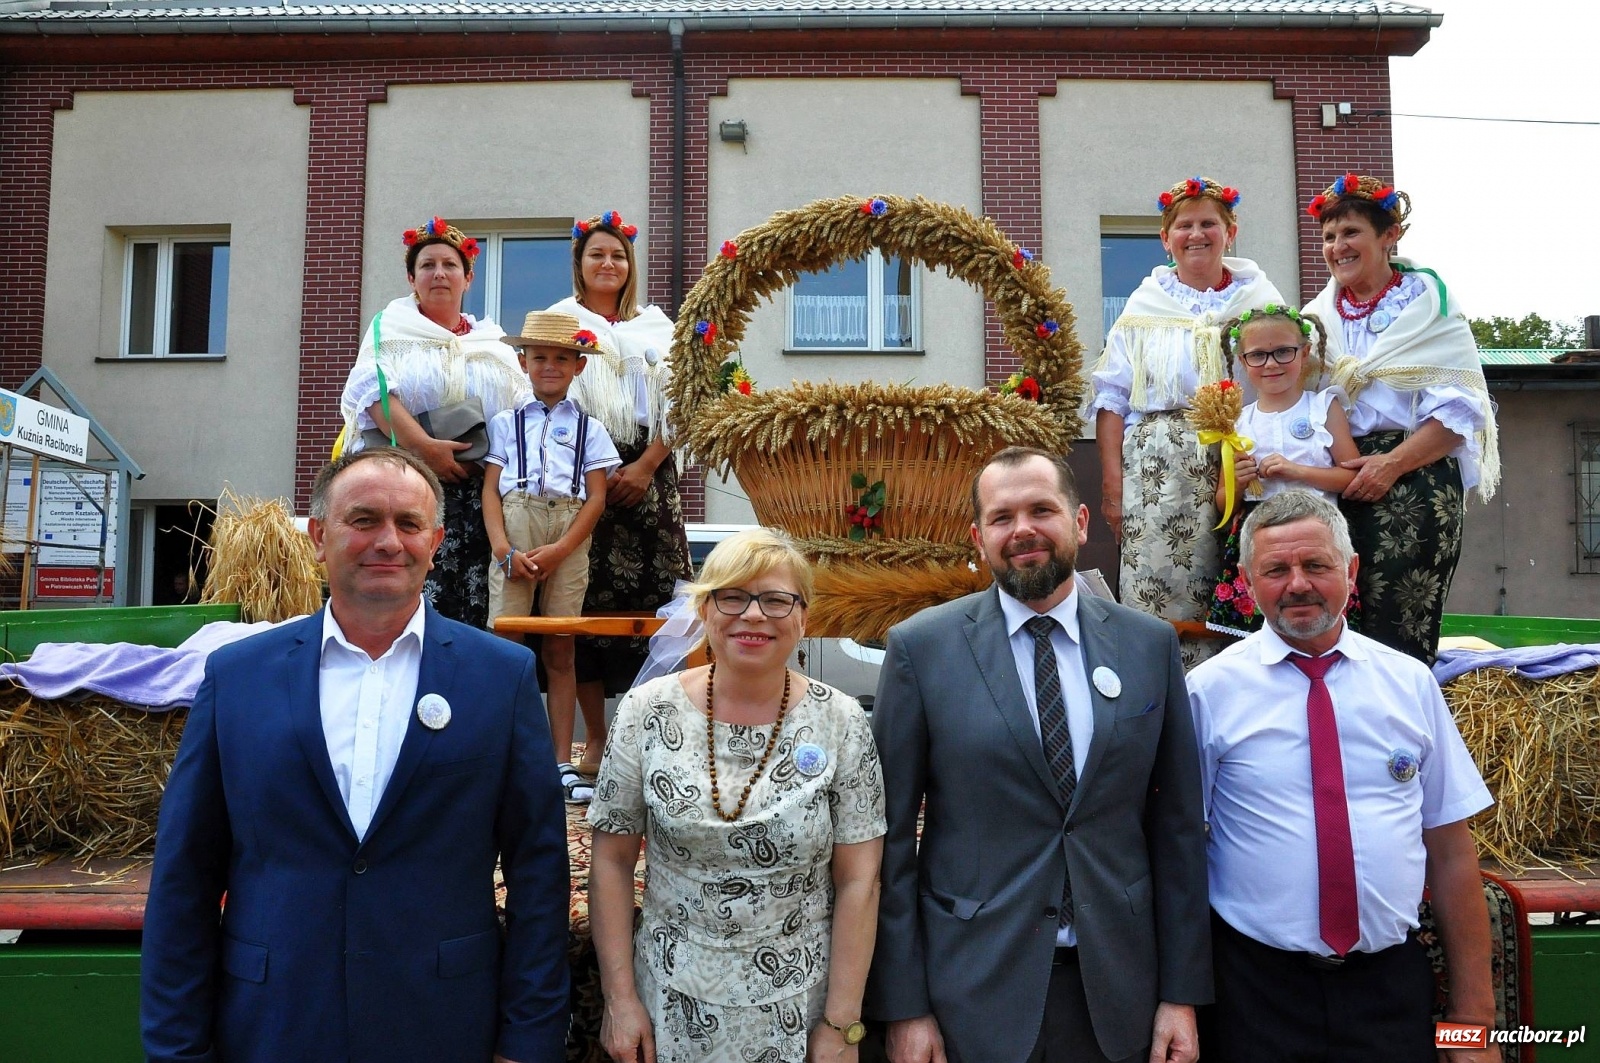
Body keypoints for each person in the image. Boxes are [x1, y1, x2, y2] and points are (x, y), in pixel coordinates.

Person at [141, 448, 571, 1063]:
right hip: (273, 1024)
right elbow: (185, 876)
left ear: (437, 541)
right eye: (363, 520)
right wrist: (176, 1049)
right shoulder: (238, 678)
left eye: (409, 524)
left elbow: (539, 873)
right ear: (319, 537)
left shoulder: (500, 678)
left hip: (444, 1024)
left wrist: (529, 1041)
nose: (388, 542)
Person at [867, 446, 1211, 1063]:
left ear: (1079, 523)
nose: (1022, 529)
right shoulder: (922, 650)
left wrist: (1181, 994)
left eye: (1041, 510)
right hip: (971, 988)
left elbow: (1179, 830)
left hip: (1118, 991)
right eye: (1002, 518)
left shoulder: (1147, 646)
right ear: (979, 538)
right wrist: (905, 1006)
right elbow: (890, 841)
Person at [1187, 490, 1496, 1063]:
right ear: (1249, 583)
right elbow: (1179, 850)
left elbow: (1452, 855)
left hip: (1388, 990)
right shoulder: (1208, 693)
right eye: (1275, 570)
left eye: (1316, 565)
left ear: (1351, 571)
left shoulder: (1410, 685)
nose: (1297, 584)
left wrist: (1473, 1029)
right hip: (1254, 994)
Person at [587, 528, 886, 1063]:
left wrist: (843, 1024)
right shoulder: (643, 713)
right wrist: (620, 1000)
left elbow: (860, 878)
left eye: (776, 599)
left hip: (800, 1003)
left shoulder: (843, 722)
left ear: (803, 618)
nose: (753, 615)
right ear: (705, 609)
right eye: (733, 596)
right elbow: (610, 862)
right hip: (669, 1001)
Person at [1302, 173, 1499, 664]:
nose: (1337, 247)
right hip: (1335, 476)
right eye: (1328, 237)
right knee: (1333, 622)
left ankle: (1400, 735)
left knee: (1398, 631)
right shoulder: (1315, 318)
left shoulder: (1431, 308)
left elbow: (1460, 413)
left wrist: (1390, 464)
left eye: (1350, 233)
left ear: (1390, 235)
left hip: (1414, 477)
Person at [1092, 176, 1286, 667]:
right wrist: (1112, 488)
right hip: (1159, 468)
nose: (1196, 234)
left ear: (1230, 231)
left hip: (1245, 454)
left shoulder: (1261, 301)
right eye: (1184, 225)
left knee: (1242, 575)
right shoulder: (1142, 307)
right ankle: (1160, 700)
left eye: (1208, 224)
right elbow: (1112, 398)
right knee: (1158, 586)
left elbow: (1289, 377)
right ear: (1165, 239)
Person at [547, 211, 692, 778]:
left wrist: (647, 465)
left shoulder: (658, 328)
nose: (608, 264)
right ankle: (598, 740)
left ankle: (655, 732)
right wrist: (600, 477)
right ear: (579, 265)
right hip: (579, 469)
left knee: (663, 600)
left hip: (650, 472)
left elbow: (684, 402)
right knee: (584, 604)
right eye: (596, 255)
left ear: (630, 266)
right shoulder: (559, 324)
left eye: (618, 255)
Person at [339, 216, 531, 629]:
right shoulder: (389, 330)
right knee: (420, 600)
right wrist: (425, 449)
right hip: (408, 485)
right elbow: (374, 392)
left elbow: (519, 412)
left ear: (468, 278)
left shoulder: (492, 342)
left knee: (479, 606)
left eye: (449, 265)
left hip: (482, 495)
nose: (439, 273)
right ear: (412, 278)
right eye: (427, 265)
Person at [486, 310, 623, 804]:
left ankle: (561, 760)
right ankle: (504, 753)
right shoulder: (505, 423)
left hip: (568, 528)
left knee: (561, 647)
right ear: (523, 362)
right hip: (516, 524)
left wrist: (565, 547)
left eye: (561, 359)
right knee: (508, 645)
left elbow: (597, 497)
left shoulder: (590, 428)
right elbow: (489, 491)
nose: (549, 366)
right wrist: (503, 547)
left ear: (578, 367)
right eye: (539, 357)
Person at [1206, 303, 1359, 637]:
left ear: (1304, 354)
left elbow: (1350, 478)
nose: (1271, 363)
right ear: (1243, 362)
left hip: (1316, 534)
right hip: (1260, 543)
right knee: (1261, 633)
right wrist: (1237, 482)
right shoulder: (1237, 423)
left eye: (1283, 352)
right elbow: (1222, 503)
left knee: (1314, 623)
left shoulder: (1323, 407)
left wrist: (1298, 472)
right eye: (1258, 355)